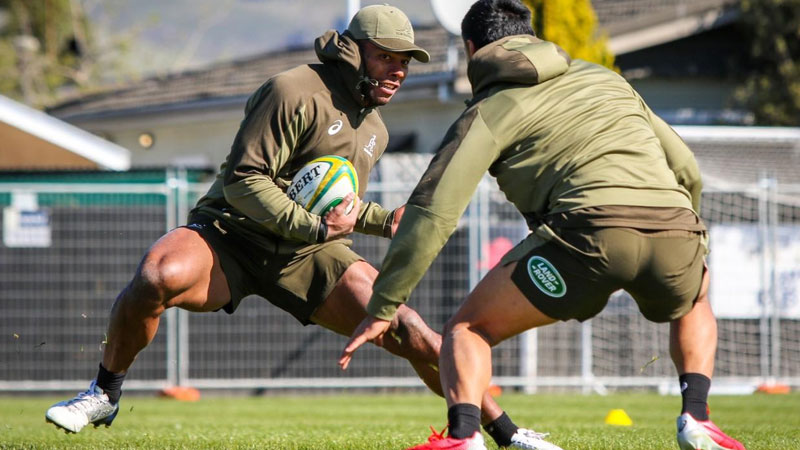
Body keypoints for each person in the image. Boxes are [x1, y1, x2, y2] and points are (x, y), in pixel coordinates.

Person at [44, 5, 545, 449]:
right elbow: (244, 180)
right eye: (386, 57)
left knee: (407, 329)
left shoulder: (375, 128)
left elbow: (335, 205)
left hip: (307, 253)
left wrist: (382, 220)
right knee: (157, 274)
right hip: (231, 234)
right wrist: (317, 229)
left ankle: (507, 433)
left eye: (405, 62)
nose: (398, 71)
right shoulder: (292, 90)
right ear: (353, 52)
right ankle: (104, 394)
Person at [339, 1, 748, 450]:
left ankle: (464, 436)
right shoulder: (607, 80)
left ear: (471, 49)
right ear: (531, 37)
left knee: (467, 329)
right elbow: (686, 168)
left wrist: (384, 306)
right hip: (676, 226)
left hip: (587, 236)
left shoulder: (491, 108)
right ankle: (697, 417)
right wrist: (691, 244)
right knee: (696, 298)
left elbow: (434, 213)